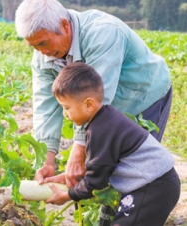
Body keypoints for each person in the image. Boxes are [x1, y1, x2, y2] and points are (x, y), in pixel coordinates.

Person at [15, 0, 172, 189]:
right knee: (101, 167)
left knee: (138, 168)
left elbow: (97, 101)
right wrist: (46, 158)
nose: (43, 52)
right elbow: (45, 105)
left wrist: (78, 150)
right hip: (105, 108)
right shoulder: (43, 55)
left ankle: (145, 210)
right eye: (34, 47)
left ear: (64, 25)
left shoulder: (103, 33)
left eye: (43, 43)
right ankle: (112, 213)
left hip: (144, 96)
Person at [44, 62, 180, 225]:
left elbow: (95, 182)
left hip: (153, 187)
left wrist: (67, 195)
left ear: (88, 104)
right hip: (157, 184)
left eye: (66, 108)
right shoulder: (106, 119)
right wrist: (71, 177)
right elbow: (103, 164)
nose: (65, 114)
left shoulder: (100, 130)